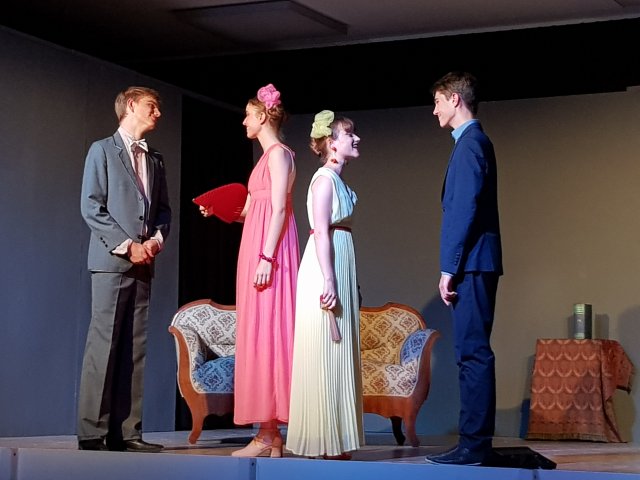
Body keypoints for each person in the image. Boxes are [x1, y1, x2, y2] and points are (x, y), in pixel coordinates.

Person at [201, 83, 300, 457]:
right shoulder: (265, 158)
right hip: (257, 246)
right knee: (258, 332)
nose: (244, 121)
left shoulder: (278, 155)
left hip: (269, 252)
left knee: (269, 333)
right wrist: (220, 210)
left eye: (247, 115)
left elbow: (279, 210)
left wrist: (267, 257)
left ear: (261, 116)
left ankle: (267, 433)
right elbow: (255, 210)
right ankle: (270, 434)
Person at [78, 86, 171, 452]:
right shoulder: (102, 150)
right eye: (152, 106)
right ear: (131, 105)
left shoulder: (155, 158)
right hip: (112, 262)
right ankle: (93, 432)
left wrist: (154, 243)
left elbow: (163, 211)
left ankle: (127, 432)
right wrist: (128, 245)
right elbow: (92, 206)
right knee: (104, 346)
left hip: (143, 263)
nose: (158, 113)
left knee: (135, 347)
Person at [424, 72, 503, 466]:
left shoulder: (472, 143)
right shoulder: (470, 143)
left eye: (438, 101)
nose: (434, 109)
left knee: (473, 354)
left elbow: (463, 211)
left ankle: (474, 444)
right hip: (473, 263)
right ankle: (473, 442)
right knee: (470, 352)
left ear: (455, 99)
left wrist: (448, 268)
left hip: (472, 264)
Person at [286, 110, 364, 459]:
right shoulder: (323, 181)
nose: (356, 139)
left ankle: (337, 440)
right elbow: (320, 231)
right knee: (326, 348)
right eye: (349, 134)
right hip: (324, 268)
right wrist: (329, 279)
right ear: (331, 143)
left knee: (339, 349)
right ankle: (321, 440)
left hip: (338, 262)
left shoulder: (337, 180)